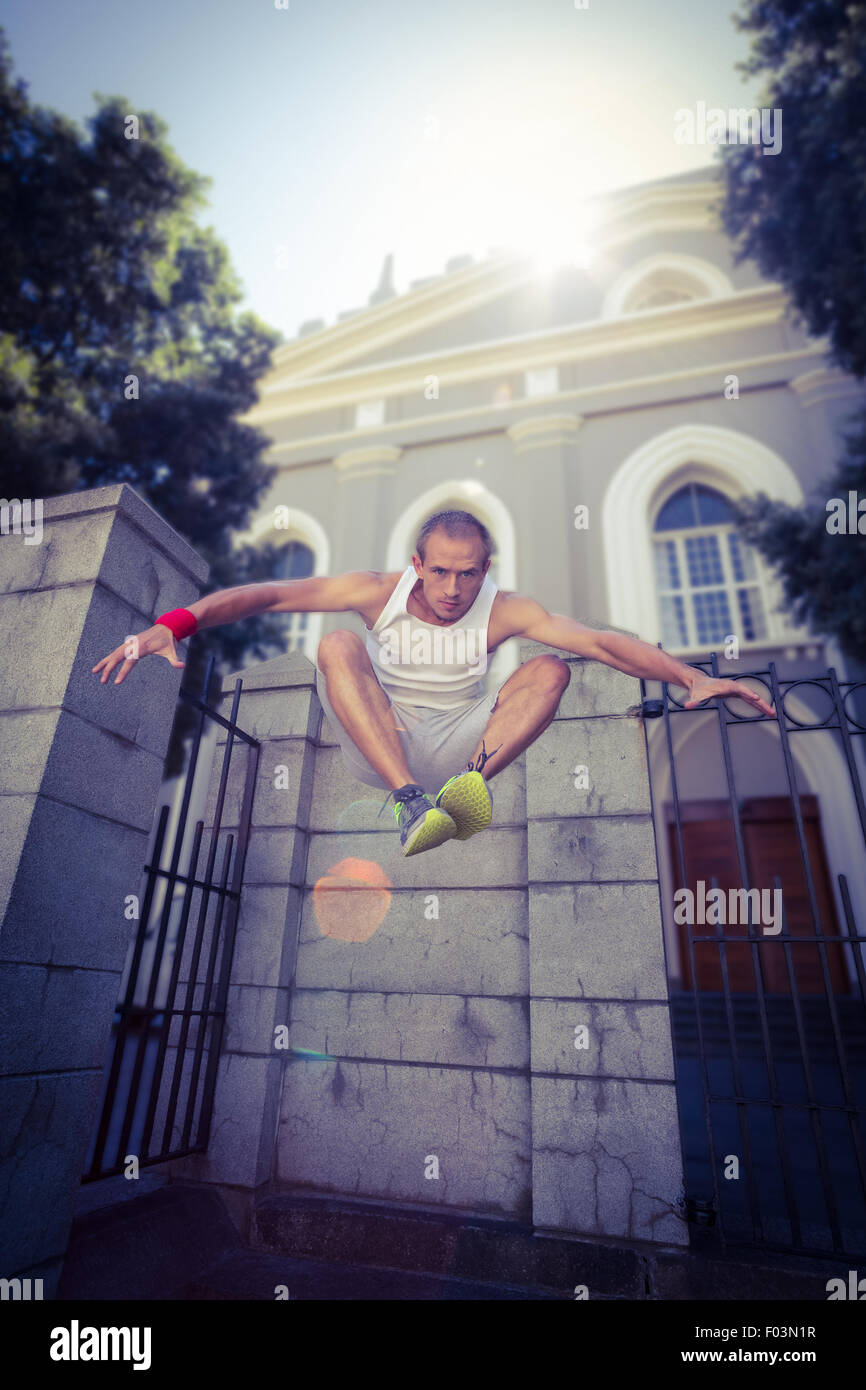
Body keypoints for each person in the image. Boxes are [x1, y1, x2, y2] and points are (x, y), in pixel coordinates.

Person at [92, 508, 776, 857]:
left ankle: (461, 794)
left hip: (457, 740)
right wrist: (173, 624)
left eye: (469, 573)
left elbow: (602, 641)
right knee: (335, 642)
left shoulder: (506, 609)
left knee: (552, 666)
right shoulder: (374, 591)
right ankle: (409, 803)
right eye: (440, 571)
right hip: (378, 734)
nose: (453, 589)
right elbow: (267, 597)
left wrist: (691, 678)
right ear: (417, 563)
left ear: (485, 569)